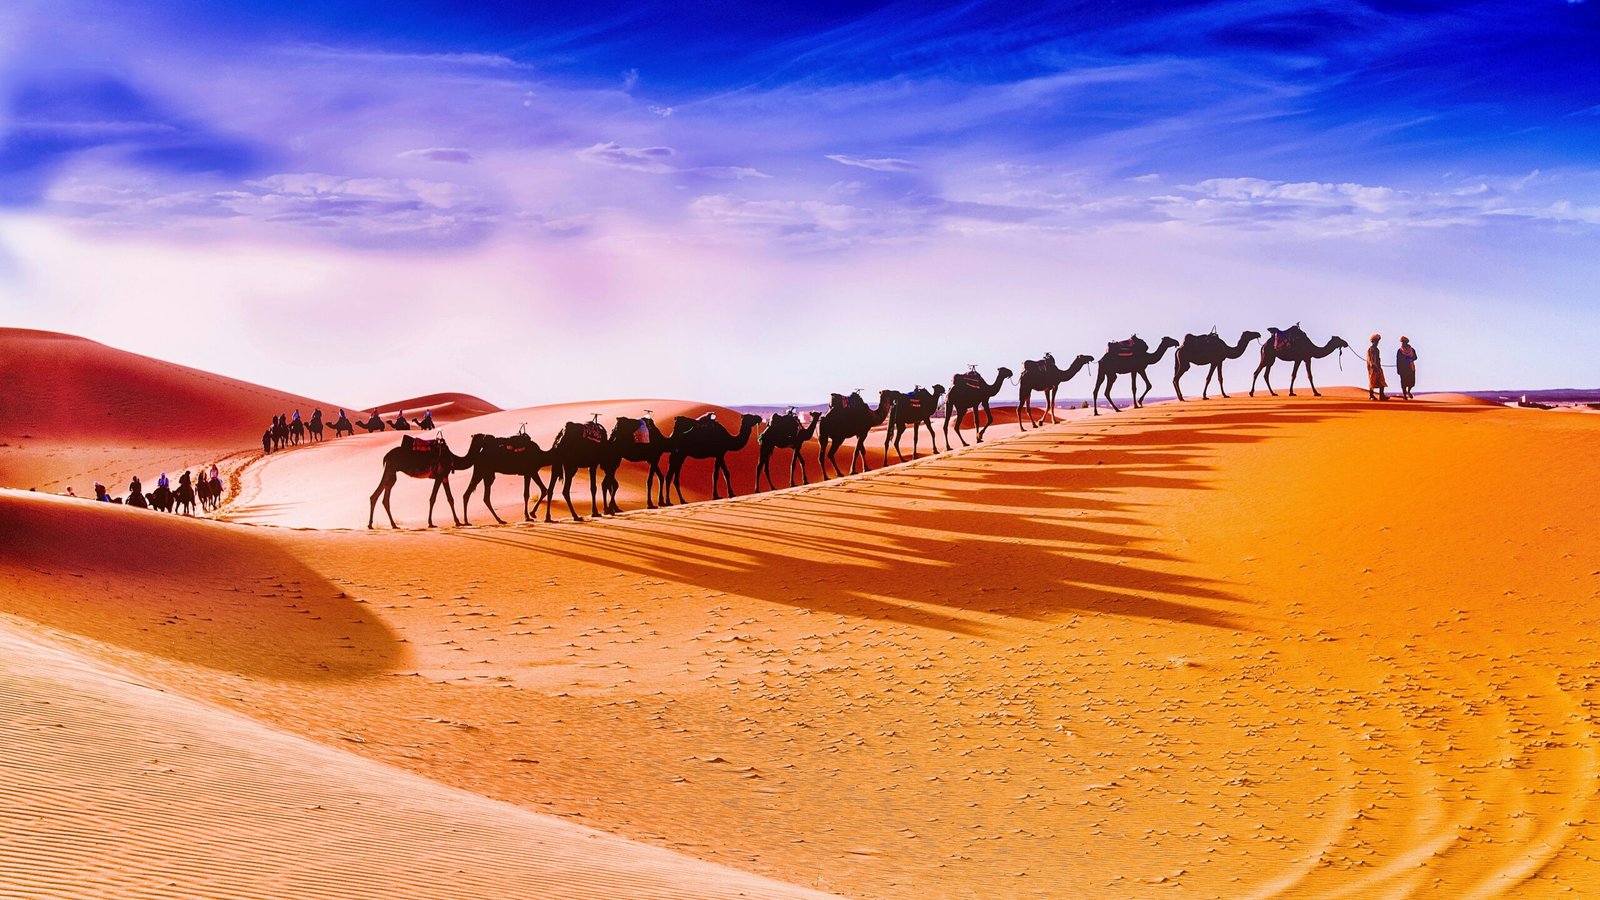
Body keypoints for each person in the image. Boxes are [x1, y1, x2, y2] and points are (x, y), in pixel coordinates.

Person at [1366, 334, 1387, 401]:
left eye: (1377, 341)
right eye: (1376, 341)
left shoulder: (1377, 349)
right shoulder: (1370, 349)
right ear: (1373, 341)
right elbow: (1370, 359)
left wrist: (1378, 367)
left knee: (1382, 382)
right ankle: (1371, 395)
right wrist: (1374, 366)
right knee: (1372, 382)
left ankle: (1382, 396)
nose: (1377, 343)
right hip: (1373, 368)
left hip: (1378, 367)